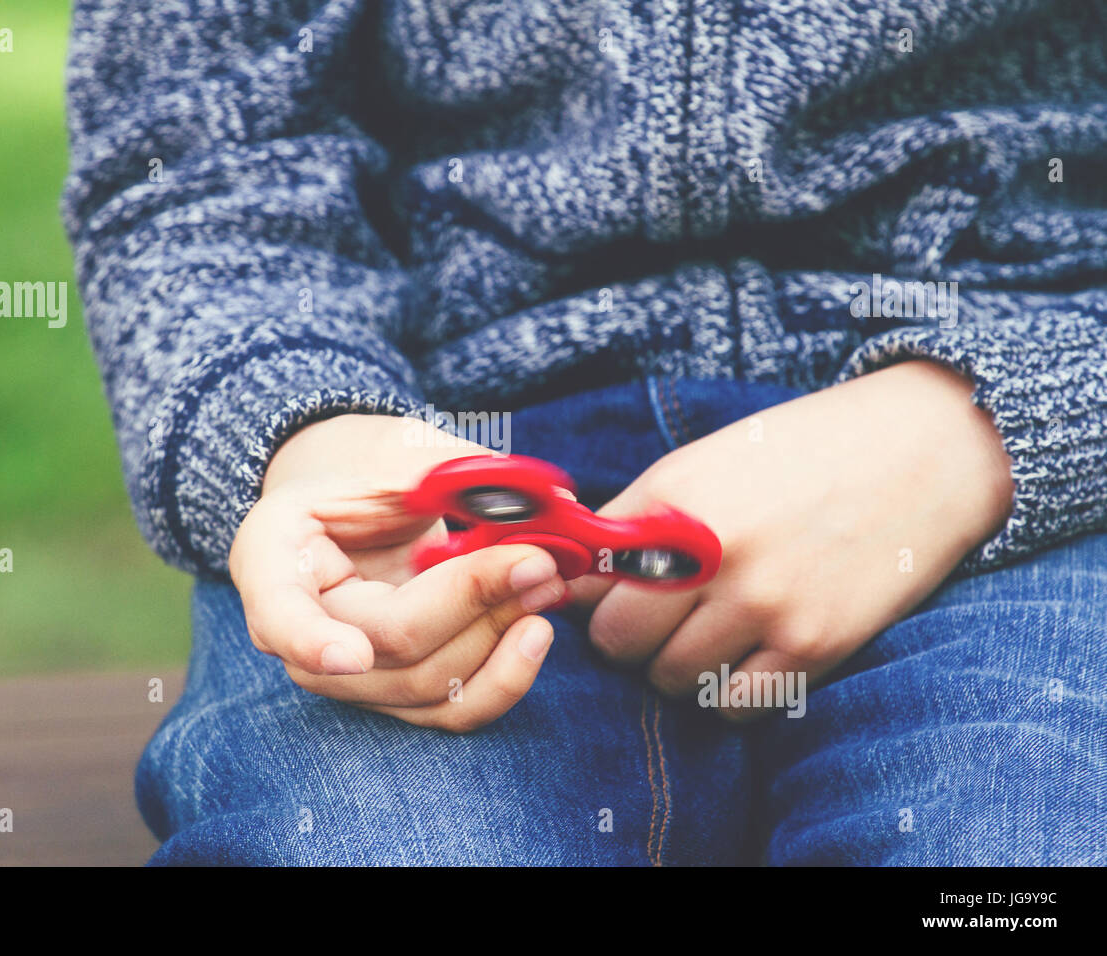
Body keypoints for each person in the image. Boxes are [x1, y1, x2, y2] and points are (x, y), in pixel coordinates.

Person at [62, 0, 1107, 865]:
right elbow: (195, 167)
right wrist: (320, 435)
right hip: (443, 464)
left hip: (1020, 473)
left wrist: (995, 423)